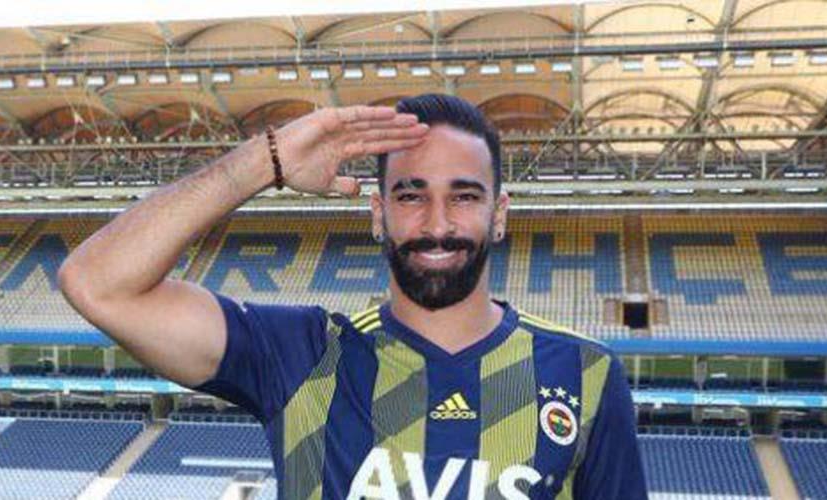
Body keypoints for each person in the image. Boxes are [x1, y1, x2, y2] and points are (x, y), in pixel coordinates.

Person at [59, 94, 646, 499]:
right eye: (411, 195)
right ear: (377, 212)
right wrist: (264, 162)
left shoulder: (584, 372)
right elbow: (97, 283)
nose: (437, 223)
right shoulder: (303, 355)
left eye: (464, 196)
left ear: (499, 214)